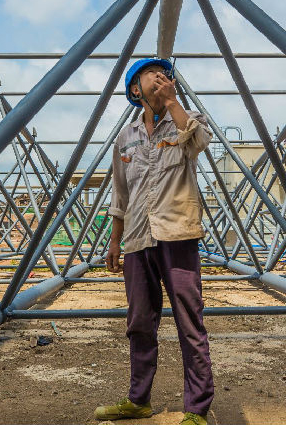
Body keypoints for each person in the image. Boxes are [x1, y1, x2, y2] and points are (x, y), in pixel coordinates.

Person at [94, 58, 214, 425]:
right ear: (135, 89)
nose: (159, 76)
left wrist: (175, 102)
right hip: (136, 239)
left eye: (165, 73)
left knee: (188, 322)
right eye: (150, 73)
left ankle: (196, 410)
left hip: (177, 234)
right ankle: (138, 400)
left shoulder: (186, 119)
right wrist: (115, 242)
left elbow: (199, 143)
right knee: (140, 323)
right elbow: (121, 193)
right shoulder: (125, 137)